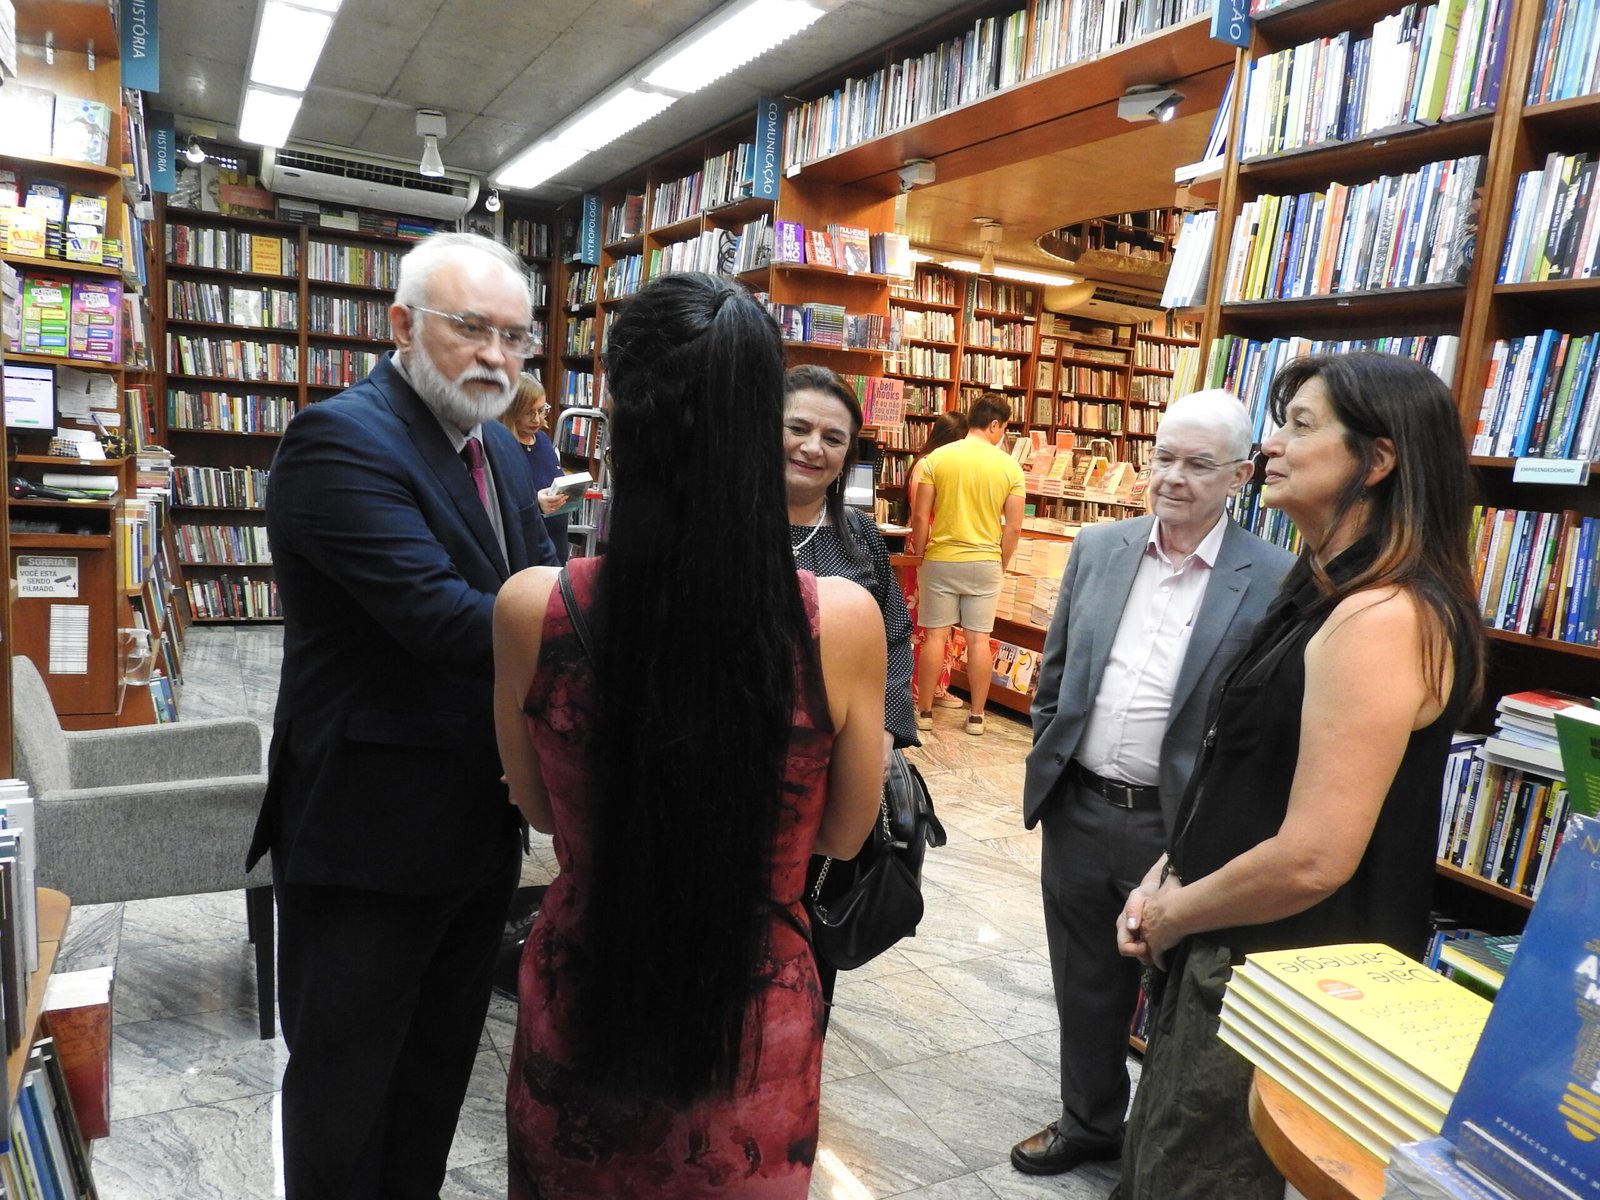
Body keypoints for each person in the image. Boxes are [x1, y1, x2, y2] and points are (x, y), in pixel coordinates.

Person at [493, 272, 887, 1198]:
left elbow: (538, 810)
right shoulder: (840, 623)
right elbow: (843, 835)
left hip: (584, 989)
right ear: (763, 428)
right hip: (754, 1015)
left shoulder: (533, 608)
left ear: (618, 422)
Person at [1113, 353, 1484, 1199]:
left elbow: (1314, 857)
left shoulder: (1383, 616)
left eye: (1301, 425)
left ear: (1378, 460)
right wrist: (1168, 870)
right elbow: (1245, 770)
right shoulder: (1322, 587)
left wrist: (1172, 915)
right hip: (1235, 953)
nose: (1271, 445)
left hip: (1276, 985)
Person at [246, 231, 560, 1200]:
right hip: (368, 836)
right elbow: (446, 619)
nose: (496, 357)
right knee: (346, 1099)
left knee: (432, 1079)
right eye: (472, 329)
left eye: (515, 338)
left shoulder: (497, 449)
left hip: (478, 825)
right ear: (402, 325)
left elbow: (540, 581)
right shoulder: (339, 440)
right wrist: (624, 633)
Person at [1010, 391, 1295, 1177]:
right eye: (1163, 456)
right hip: (1080, 806)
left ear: (1240, 475)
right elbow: (1057, 674)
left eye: (1198, 464)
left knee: (1175, 1000)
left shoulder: (1275, 580)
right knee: (1084, 982)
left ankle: (1153, 1159)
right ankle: (1089, 1121)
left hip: (1184, 833)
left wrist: (1202, 835)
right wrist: (1053, 759)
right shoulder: (1099, 547)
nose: (1173, 477)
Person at [783, 363, 919, 1025]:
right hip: (744, 768)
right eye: (798, 428)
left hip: (837, 768)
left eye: (833, 438)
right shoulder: (719, 522)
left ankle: (804, 1030)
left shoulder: (859, 536)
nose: (814, 447)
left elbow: (894, 634)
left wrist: (885, 729)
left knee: (815, 916)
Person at [908, 392, 1026, 736]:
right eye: (1004, 428)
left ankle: (924, 712)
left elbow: (920, 515)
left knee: (935, 636)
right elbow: (1014, 527)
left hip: (941, 558)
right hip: (985, 561)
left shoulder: (937, 459)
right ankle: (976, 716)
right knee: (978, 640)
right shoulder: (1010, 467)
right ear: (995, 424)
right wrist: (1001, 562)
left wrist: (922, 553)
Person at [906, 411, 968, 712]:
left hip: (935, 541)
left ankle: (934, 686)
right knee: (926, 621)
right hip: (928, 541)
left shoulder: (932, 463)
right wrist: (921, 550)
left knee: (938, 621)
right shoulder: (928, 464)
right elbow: (921, 512)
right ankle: (920, 687)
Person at [501, 373, 572, 562]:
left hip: (557, 546)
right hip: (528, 552)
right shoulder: (502, 447)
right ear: (512, 410)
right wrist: (536, 503)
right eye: (529, 412)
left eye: (542, 410)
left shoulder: (543, 440)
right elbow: (502, 503)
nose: (537, 419)